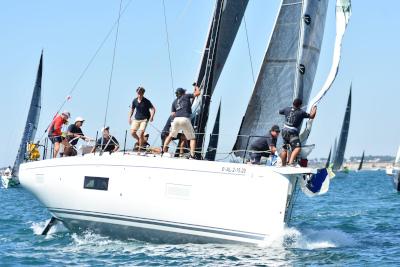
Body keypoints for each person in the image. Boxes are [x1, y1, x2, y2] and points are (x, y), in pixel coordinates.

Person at [162, 85, 200, 158]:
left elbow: (172, 114)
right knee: (192, 138)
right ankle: (192, 155)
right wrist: (197, 87)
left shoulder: (174, 101)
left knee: (170, 135)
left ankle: (163, 151)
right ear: (183, 93)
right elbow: (198, 93)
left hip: (176, 119)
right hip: (185, 119)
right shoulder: (186, 96)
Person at [279, 98, 317, 166]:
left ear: (293, 103)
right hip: (292, 133)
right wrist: (314, 108)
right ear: (300, 105)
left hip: (284, 131)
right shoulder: (301, 112)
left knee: (285, 149)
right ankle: (290, 163)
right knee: (297, 148)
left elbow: (279, 111)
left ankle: (283, 165)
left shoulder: (287, 109)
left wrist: (287, 111)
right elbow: (312, 116)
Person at [128, 86, 156, 152]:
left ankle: (139, 150)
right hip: (136, 118)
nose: (139, 94)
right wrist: (129, 117)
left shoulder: (146, 101)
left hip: (144, 119)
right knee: (132, 133)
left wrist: (152, 116)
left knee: (141, 133)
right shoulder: (134, 100)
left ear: (143, 93)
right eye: (138, 93)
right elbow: (132, 109)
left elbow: (153, 109)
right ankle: (140, 140)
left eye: (140, 93)